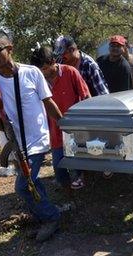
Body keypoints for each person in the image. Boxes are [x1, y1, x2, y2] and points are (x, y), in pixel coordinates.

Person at [0, 30, 62, 242]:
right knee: (31, 182)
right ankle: (44, 213)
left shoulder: (32, 72)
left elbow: (48, 103)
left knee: (23, 186)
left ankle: (51, 217)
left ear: (10, 49)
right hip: (13, 143)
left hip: (36, 141)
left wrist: (65, 126)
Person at [30, 45, 91, 191]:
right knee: (59, 166)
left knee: (78, 164)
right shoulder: (37, 79)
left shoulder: (70, 72)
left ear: (52, 62)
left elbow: (86, 97)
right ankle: (65, 191)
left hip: (75, 128)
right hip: (54, 130)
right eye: (39, 71)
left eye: (44, 69)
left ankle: (82, 184)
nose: (42, 74)